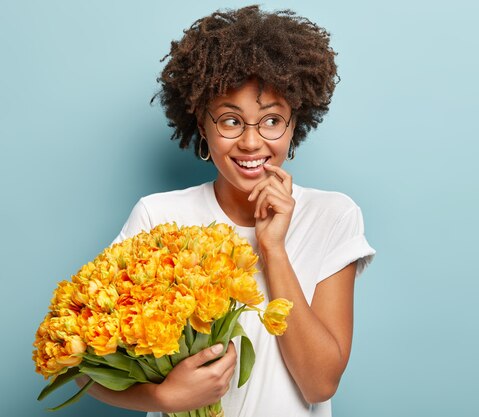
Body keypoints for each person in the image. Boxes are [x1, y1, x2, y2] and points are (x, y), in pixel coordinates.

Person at [78, 5, 375, 417]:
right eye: (231, 122)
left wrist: (273, 249)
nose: (252, 143)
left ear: (293, 125)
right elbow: (80, 363)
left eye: (272, 120)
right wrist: (163, 399)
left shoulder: (333, 215)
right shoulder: (157, 215)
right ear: (201, 125)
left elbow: (320, 382)